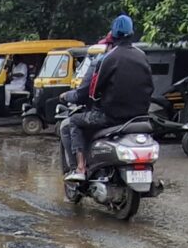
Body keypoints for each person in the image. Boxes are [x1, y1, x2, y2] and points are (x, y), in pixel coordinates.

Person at [60, 13, 155, 181]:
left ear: (113, 35)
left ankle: (80, 168)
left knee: (74, 121)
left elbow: (93, 92)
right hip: (139, 117)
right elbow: (150, 87)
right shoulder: (142, 56)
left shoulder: (109, 58)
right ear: (132, 33)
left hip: (110, 117)